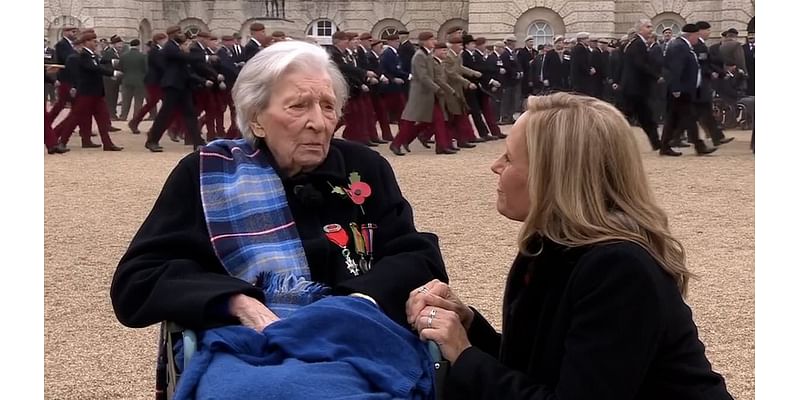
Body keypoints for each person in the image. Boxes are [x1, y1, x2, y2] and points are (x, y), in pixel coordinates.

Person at [406, 92, 734, 400]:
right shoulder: (550, 245)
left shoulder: (620, 268)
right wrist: (469, 327)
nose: (496, 166)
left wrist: (464, 356)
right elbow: (542, 369)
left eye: (509, 157)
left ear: (552, 176)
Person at [111, 39, 446, 334]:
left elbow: (418, 257)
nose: (318, 123)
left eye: (328, 106)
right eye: (298, 106)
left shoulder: (364, 168)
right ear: (256, 117)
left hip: (360, 334)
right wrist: (236, 301)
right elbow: (139, 280)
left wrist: (357, 300)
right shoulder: (206, 174)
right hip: (254, 347)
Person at [659, 24, 716, 157]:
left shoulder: (683, 46)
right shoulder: (679, 46)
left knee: (674, 119)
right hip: (680, 90)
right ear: (691, 35)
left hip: (685, 89)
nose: (698, 38)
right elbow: (675, 69)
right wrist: (676, 88)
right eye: (697, 35)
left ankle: (665, 146)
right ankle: (698, 146)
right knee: (687, 117)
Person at [621, 19, 662, 151]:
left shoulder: (637, 43)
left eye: (651, 27)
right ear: (640, 29)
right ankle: (614, 142)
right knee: (627, 118)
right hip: (635, 88)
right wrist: (656, 76)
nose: (651, 29)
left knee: (646, 117)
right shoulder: (638, 44)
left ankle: (657, 143)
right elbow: (641, 65)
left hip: (636, 88)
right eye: (648, 27)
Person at [119, 39, 148, 121]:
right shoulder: (143, 56)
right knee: (138, 101)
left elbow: (120, 68)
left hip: (126, 80)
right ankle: (136, 117)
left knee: (125, 100)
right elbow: (146, 69)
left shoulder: (124, 56)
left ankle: (123, 116)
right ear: (138, 45)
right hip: (140, 81)